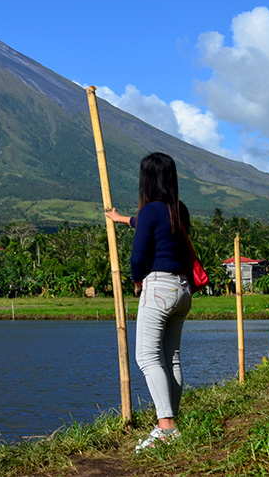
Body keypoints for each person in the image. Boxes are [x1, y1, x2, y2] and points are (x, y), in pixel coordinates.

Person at [106, 152, 193, 452]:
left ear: (145, 179)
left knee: (147, 357)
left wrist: (136, 279)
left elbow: (138, 255)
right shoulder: (178, 209)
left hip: (157, 288)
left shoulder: (150, 210)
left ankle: (166, 427)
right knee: (172, 357)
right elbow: (158, 230)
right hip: (182, 289)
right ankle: (173, 423)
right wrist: (123, 219)